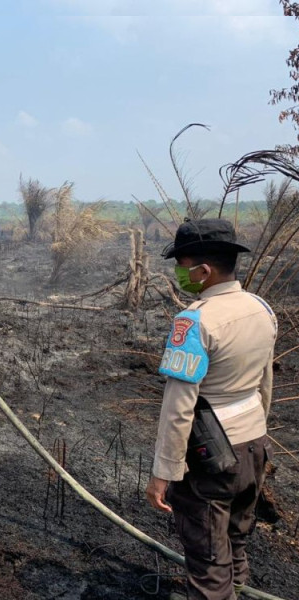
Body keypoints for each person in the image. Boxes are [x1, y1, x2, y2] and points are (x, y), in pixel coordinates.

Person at [145, 219, 277, 600]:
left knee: (207, 560)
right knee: (236, 538)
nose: (179, 274)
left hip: (211, 459)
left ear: (203, 271)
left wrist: (163, 473)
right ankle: (237, 589)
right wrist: (258, 434)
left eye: (182, 266)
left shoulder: (194, 321)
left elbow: (178, 407)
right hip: (253, 445)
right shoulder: (260, 308)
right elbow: (264, 382)